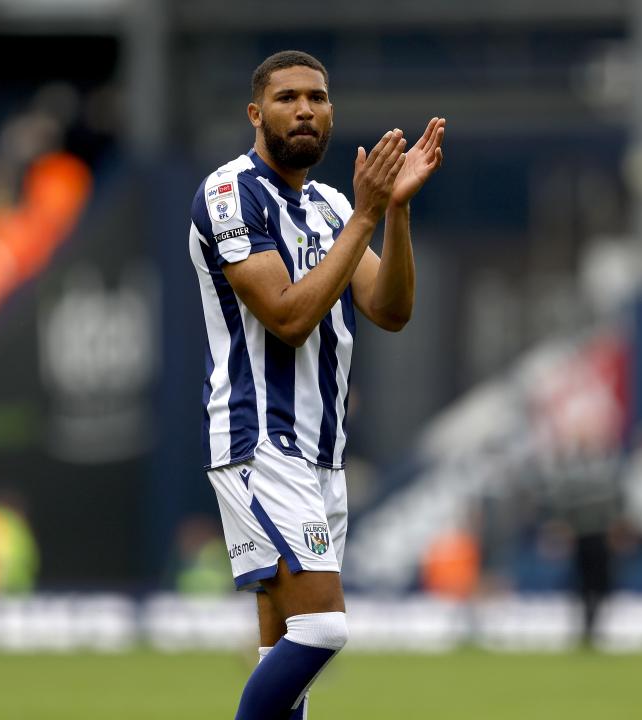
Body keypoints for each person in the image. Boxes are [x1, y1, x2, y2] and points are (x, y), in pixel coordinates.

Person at [188, 50, 444, 719]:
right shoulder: (229, 195)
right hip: (260, 442)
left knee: (282, 653)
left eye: (318, 98)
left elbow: (390, 310)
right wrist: (367, 215)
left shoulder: (332, 206)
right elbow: (289, 317)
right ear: (255, 113)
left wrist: (394, 213)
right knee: (324, 629)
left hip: (322, 454)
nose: (305, 109)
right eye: (288, 97)